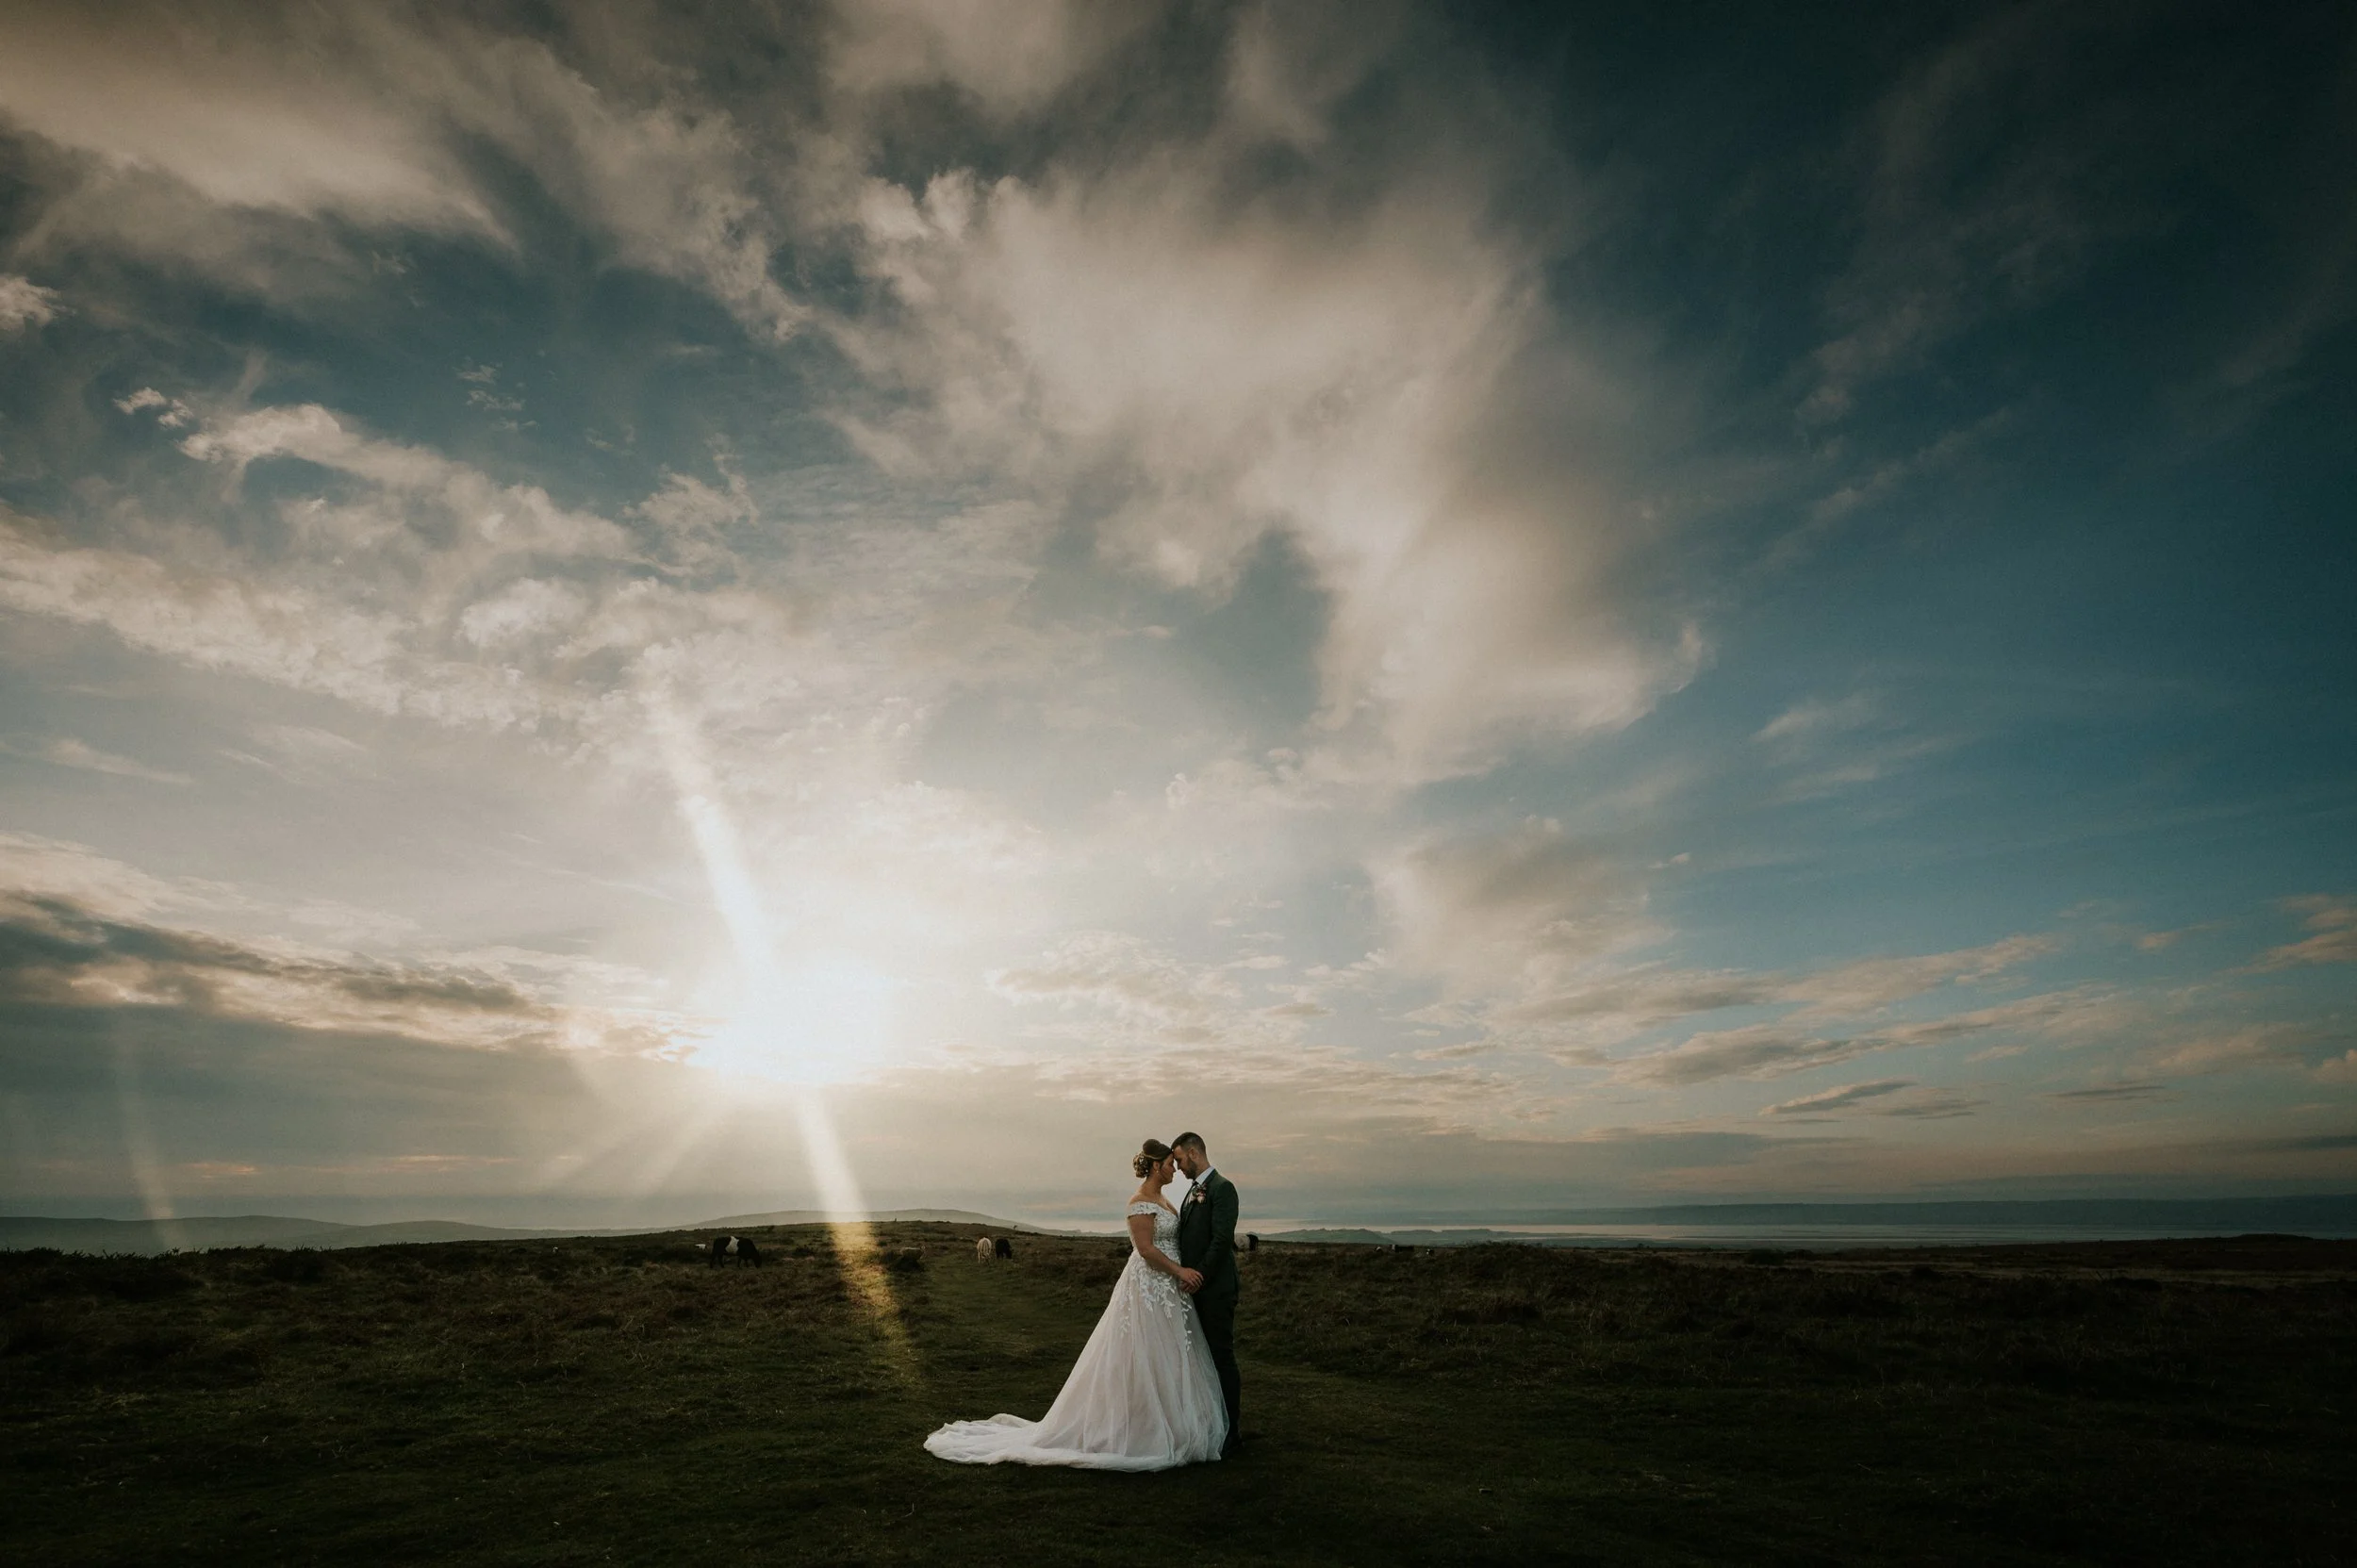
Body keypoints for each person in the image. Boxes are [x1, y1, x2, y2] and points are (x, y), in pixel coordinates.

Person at [922, 1138, 1228, 1470]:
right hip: (1149, 1286)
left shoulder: (1165, 1201)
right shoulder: (1139, 1202)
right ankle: (1137, 1428)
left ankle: (1168, 1424)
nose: (1174, 1168)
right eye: (1170, 1163)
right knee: (1142, 1354)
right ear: (1155, 1166)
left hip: (1169, 1291)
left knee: (1169, 1354)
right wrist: (1180, 1270)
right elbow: (1146, 1250)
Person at [1171, 1131, 1242, 1455]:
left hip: (1215, 1289)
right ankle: (1210, 1423)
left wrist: (1198, 1276)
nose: (1179, 1167)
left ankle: (1230, 1432)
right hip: (1195, 1290)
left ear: (1194, 1153)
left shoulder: (1222, 1189)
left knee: (1220, 1357)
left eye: (1181, 1160)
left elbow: (1221, 1239)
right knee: (1202, 1360)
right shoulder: (1192, 1192)